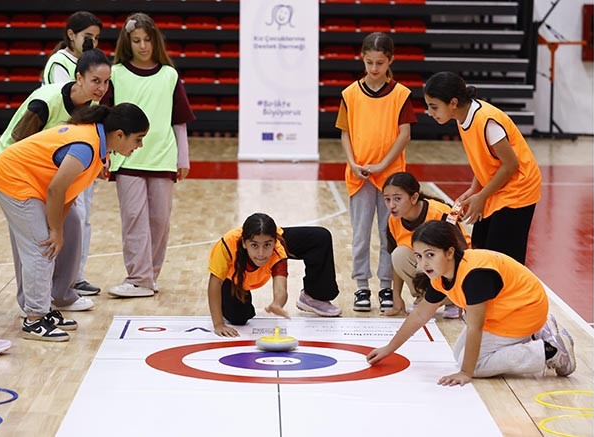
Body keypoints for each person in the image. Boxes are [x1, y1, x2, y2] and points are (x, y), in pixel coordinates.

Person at [0, 103, 149, 341]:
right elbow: (56, 189)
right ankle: (34, 319)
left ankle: (40, 309)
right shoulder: (86, 147)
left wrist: (57, 228)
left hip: (27, 180)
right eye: (138, 139)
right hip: (13, 179)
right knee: (42, 248)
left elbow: (69, 192)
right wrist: (55, 230)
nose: (140, 145)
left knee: (45, 244)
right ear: (119, 135)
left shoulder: (99, 146)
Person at [366, 220, 575, 385]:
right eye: (419, 256)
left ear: (449, 252)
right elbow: (420, 315)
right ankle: (540, 331)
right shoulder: (441, 273)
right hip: (513, 307)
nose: (424, 263)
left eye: (430, 255)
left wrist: (466, 373)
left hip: (523, 311)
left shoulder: (474, 276)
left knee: (476, 366)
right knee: (459, 354)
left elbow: (476, 326)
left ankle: (550, 351)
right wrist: (389, 348)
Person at [0, 49, 112, 306]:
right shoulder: (46, 101)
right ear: (79, 78)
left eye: (106, 82)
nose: (102, 88)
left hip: (47, 174)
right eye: (96, 81)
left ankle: (62, 294)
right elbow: (19, 144)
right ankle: (29, 303)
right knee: (35, 239)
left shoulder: (91, 104)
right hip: (16, 173)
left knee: (71, 224)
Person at [102, 13, 195, 298]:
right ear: (127, 43)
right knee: (133, 218)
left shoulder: (169, 75)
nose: (143, 46)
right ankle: (138, 278)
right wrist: (104, 153)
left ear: (156, 41)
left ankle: (149, 277)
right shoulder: (116, 73)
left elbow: (179, 120)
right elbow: (104, 118)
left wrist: (183, 157)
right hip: (126, 158)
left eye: (147, 40)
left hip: (163, 157)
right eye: (136, 40)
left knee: (159, 221)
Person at [335, 32, 417, 313]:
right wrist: (352, 162)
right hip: (359, 176)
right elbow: (345, 134)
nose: (373, 68)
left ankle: (385, 286)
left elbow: (404, 135)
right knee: (360, 235)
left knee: (388, 235)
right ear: (362, 58)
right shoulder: (350, 94)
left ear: (390, 60)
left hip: (391, 178)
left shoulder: (401, 94)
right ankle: (361, 286)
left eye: (379, 63)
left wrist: (382, 165)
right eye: (369, 62)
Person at [423, 71, 542, 265]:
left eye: (433, 106)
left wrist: (482, 196)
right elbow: (486, 160)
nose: (429, 112)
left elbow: (510, 164)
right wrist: (474, 189)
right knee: (480, 247)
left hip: (518, 189)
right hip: (497, 187)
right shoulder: (461, 117)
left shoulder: (487, 121)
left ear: (453, 103)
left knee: (503, 259)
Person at [209, 213, 342, 337]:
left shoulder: (278, 251)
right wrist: (218, 324)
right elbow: (215, 284)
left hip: (271, 243)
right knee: (239, 318)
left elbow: (280, 289)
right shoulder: (227, 245)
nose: (261, 253)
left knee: (320, 237)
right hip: (231, 281)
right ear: (244, 243)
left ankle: (314, 297)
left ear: (275, 241)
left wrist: (277, 304)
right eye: (254, 245)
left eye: (267, 245)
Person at [381, 171, 470, 319]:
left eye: (397, 199)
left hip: (454, 269)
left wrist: (463, 291)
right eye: (387, 199)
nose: (392, 205)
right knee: (398, 254)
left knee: (427, 256)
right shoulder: (393, 220)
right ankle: (424, 297)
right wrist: (396, 296)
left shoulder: (441, 212)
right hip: (428, 268)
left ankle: (452, 300)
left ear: (414, 197)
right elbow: (395, 264)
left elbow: (463, 253)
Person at [42, 11, 103, 85]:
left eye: (96, 38)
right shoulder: (59, 61)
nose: (93, 42)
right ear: (71, 35)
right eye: (87, 37)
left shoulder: (94, 62)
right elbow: (65, 92)